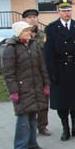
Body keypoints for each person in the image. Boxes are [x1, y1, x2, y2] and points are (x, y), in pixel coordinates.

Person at [3, 21, 50, 149]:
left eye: (30, 30)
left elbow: (42, 67)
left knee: (33, 118)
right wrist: (13, 91)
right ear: (19, 33)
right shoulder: (11, 48)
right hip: (22, 89)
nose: (30, 33)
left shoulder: (34, 45)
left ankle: (32, 144)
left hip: (35, 87)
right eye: (26, 31)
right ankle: (20, 147)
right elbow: (9, 72)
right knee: (23, 119)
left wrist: (46, 84)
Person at [43, 0, 75, 141]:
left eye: (69, 10)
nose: (67, 13)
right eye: (64, 10)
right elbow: (48, 54)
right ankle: (65, 129)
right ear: (58, 11)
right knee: (62, 102)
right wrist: (52, 73)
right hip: (59, 69)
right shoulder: (51, 28)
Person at [21, 8, 50, 136]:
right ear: (24, 20)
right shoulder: (20, 36)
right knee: (28, 102)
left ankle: (42, 126)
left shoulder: (43, 35)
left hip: (42, 73)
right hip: (26, 74)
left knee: (43, 101)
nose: (32, 19)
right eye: (29, 17)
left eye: (35, 17)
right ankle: (28, 127)